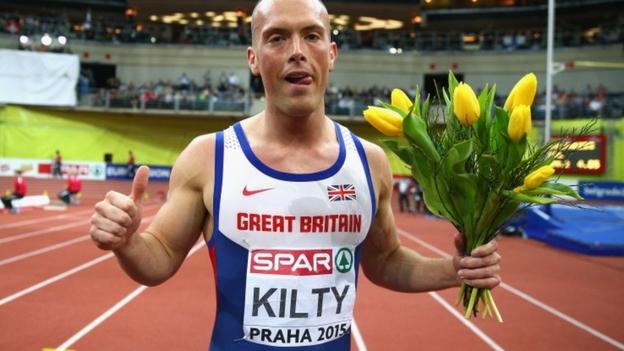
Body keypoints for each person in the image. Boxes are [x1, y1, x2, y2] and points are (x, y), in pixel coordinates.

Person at [89, 1, 501, 349]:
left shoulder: (370, 162)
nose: (297, 51)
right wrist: (127, 241)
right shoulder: (209, 157)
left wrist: (456, 270)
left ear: (332, 54)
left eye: (312, 35)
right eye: (277, 37)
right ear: (253, 59)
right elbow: (157, 259)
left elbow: (386, 261)